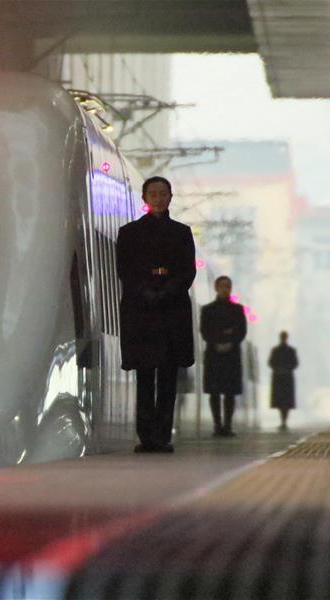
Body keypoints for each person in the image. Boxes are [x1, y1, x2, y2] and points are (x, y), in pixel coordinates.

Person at [116, 176, 196, 453]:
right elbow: (125, 271)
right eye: (154, 194)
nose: (159, 198)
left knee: (168, 378)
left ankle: (162, 435)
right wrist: (147, 292)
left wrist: (166, 291)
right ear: (145, 198)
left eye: (163, 194)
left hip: (171, 313)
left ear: (171, 197)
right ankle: (147, 435)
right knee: (145, 376)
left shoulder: (183, 233)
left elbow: (188, 272)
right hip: (142, 314)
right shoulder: (128, 234)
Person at [199, 276, 247, 437]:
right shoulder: (207, 310)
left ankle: (227, 425)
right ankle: (217, 425)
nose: (225, 289)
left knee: (229, 392)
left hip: (230, 355)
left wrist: (226, 340)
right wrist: (225, 336)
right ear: (216, 287)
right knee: (215, 391)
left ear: (230, 288)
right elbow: (205, 331)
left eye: (227, 286)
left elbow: (241, 332)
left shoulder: (238, 310)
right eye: (222, 286)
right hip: (215, 354)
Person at [268, 331, 299, 431]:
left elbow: (271, 363)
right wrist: (286, 369)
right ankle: (284, 421)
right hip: (286, 378)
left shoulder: (276, 350)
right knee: (284, 401)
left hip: (280, 377)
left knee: (282, 401)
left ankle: (283, 421)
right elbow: (294, 363)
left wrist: (279, 369)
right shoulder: (290, 350)